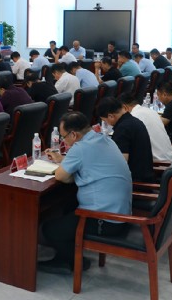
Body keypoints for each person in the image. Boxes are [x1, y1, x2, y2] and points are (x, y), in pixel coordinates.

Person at [39, 112, 131, 270]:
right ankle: (69, 251)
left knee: (49, 229)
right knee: (67, 205)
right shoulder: (104, 139)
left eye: (63, 137)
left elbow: (61, 176)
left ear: (73, 135)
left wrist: (64, 165)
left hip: (104, 220)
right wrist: (64, 160)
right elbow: (89, 164)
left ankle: (75, 262)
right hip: (120, 213)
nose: (63, 141)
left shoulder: (80, 148)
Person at [97, 98, 155, 182]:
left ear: (111, 116)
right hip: (145, 176)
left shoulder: (122, 129)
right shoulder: (136, 121)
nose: (106, 124)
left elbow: (121, 165)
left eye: (104, 121)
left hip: (135, 182)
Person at [120, 93, 172, 163]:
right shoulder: (151, 111)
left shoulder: (133, 118)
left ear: (124, 107)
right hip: (171, 160)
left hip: (159, 164)